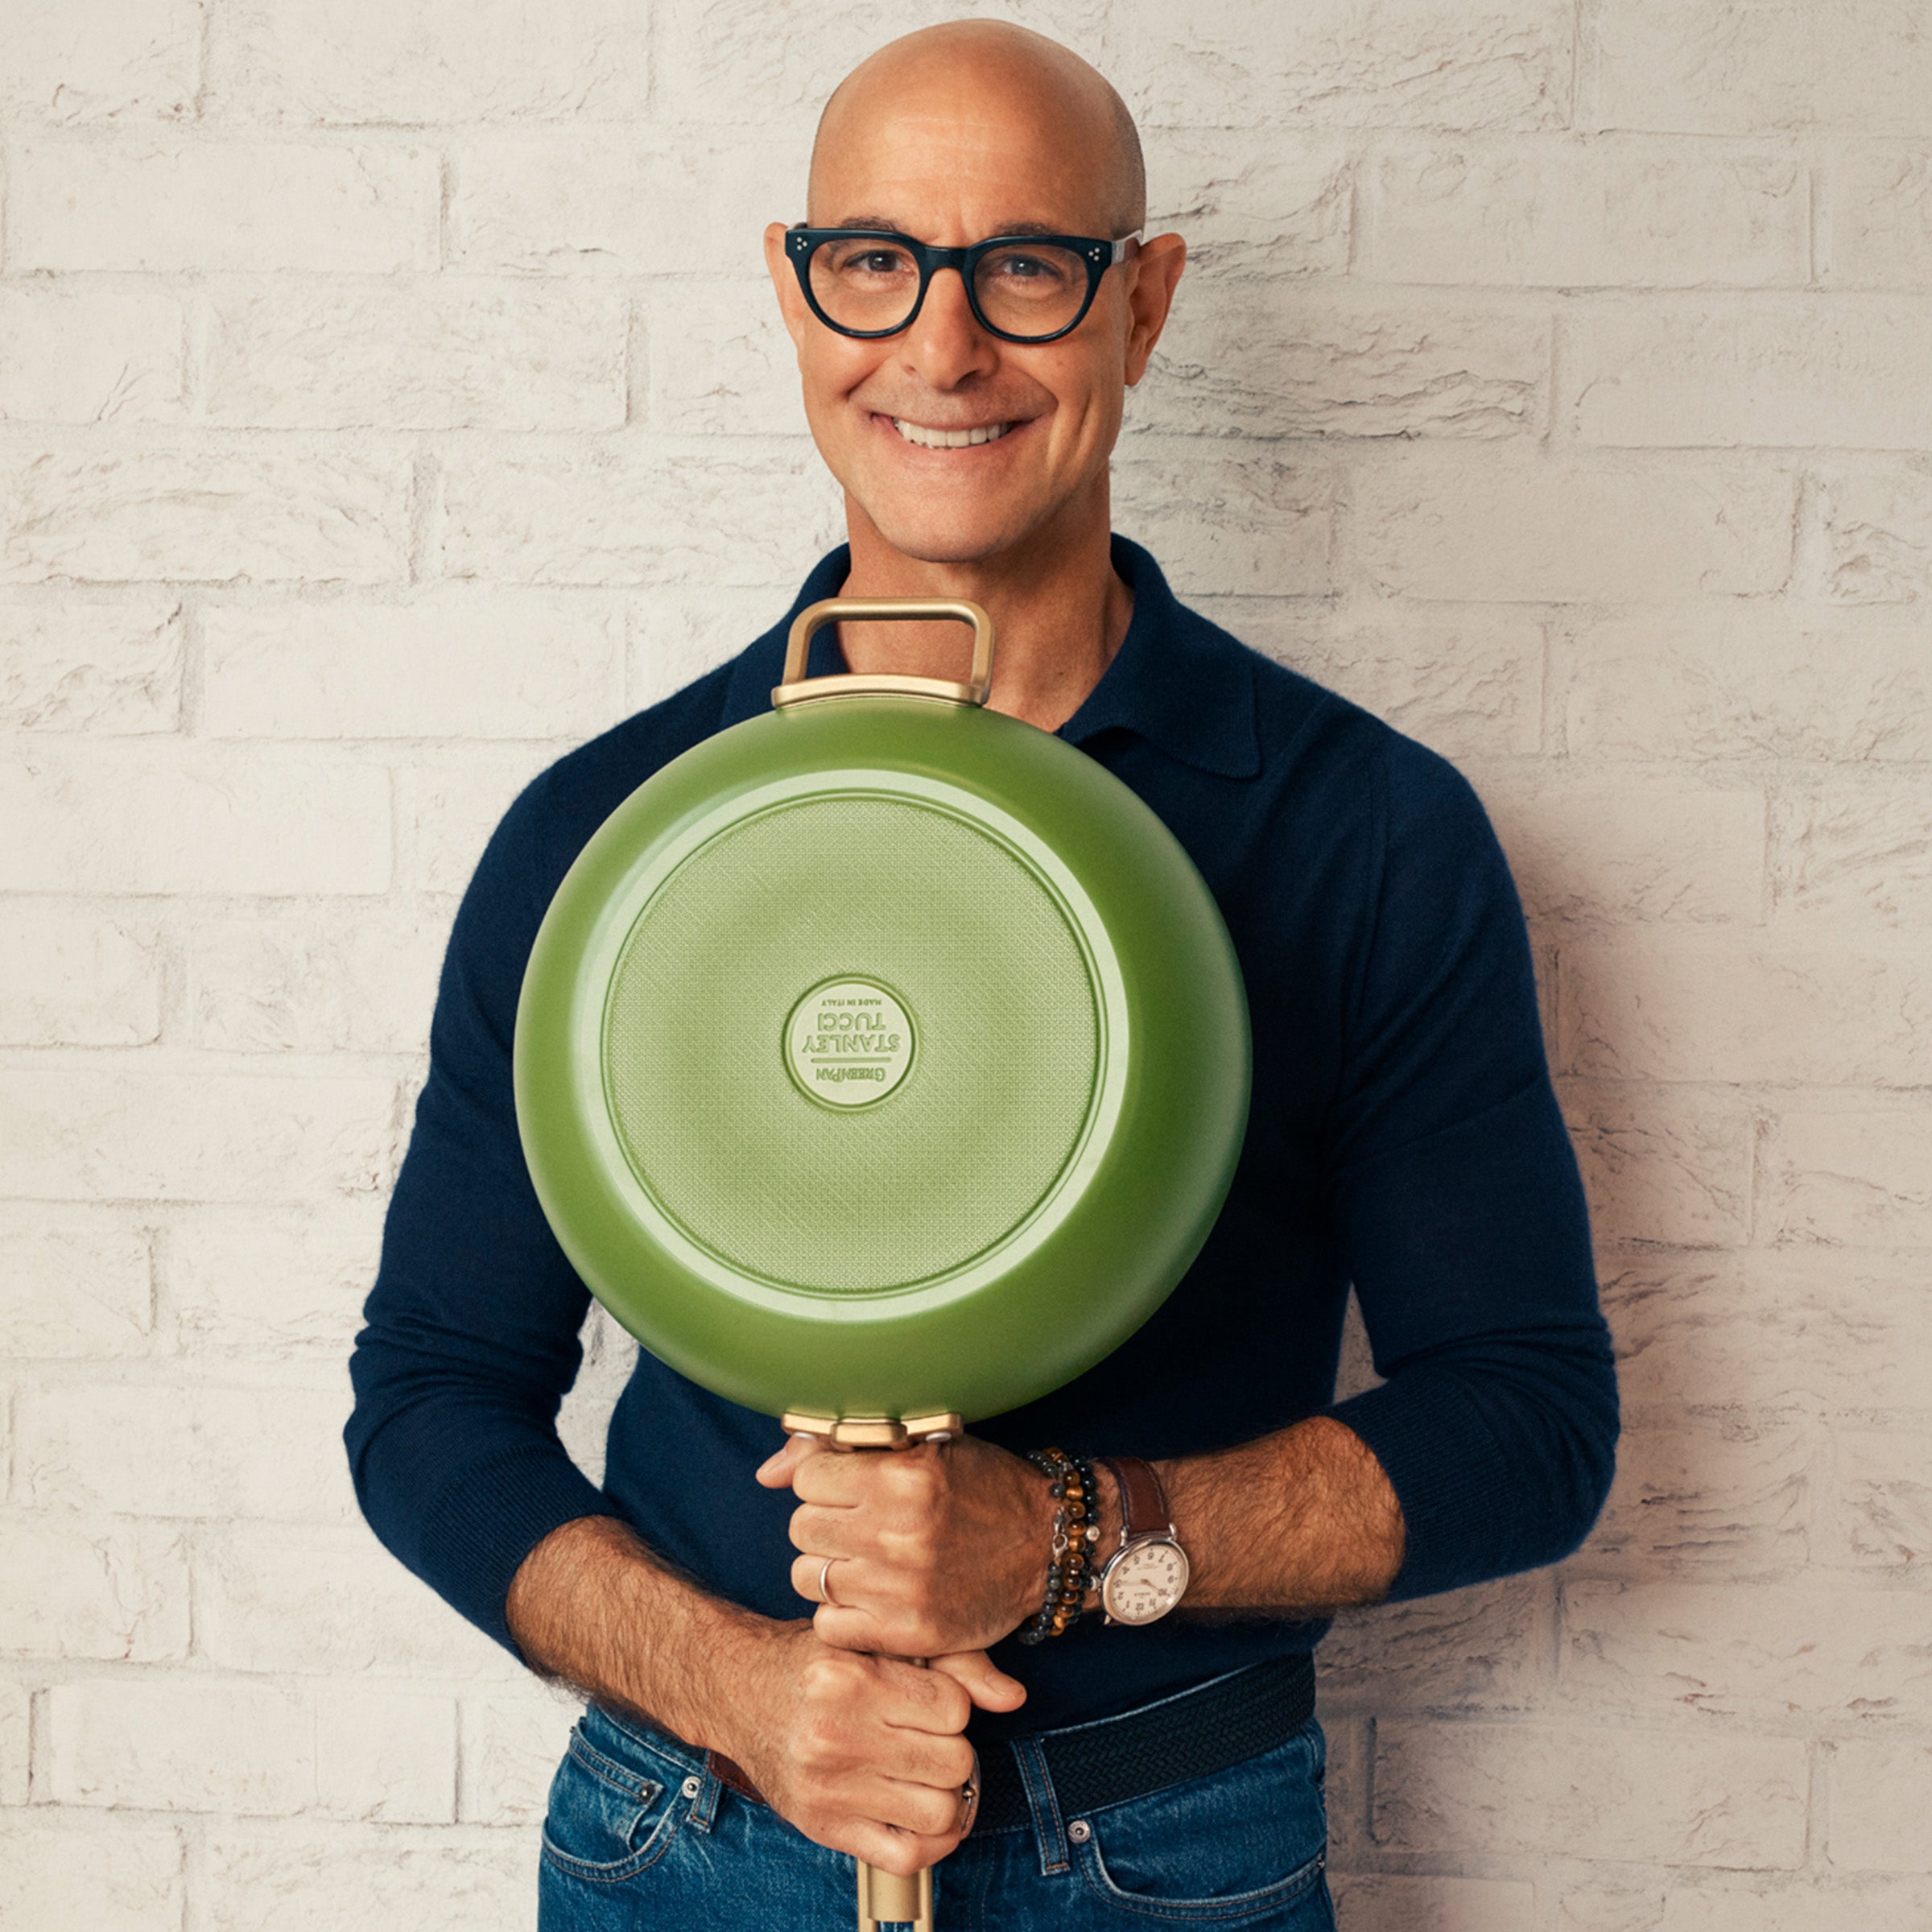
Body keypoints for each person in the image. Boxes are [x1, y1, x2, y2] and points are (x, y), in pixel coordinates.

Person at [345, 20, 1617, 1930]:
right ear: (794, 291)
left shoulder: (1363, 828)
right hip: (680, 1838)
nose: (941, 349)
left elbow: (1527, 1420)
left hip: (1171, 1850)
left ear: (1145, 302)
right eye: (875, 262)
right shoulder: (611, 840)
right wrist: (743, 1693)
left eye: (1026, 267)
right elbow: (433, 1397)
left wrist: (1073, 1539)